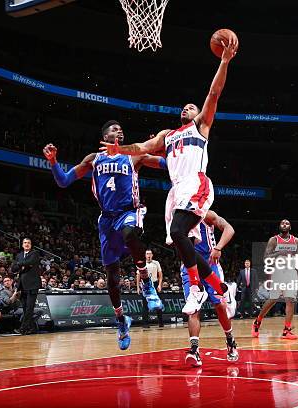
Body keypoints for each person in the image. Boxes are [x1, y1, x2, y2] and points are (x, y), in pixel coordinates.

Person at [99, 39, 238, 316]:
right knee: (179, 242)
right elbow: (143, 149)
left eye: (191, 107)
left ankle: (197, 288)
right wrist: (119, 149)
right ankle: (218, 284)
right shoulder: (168, 135)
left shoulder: (201, 127)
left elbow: (214, 93)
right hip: (175, 192)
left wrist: (224, 61)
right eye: (184, 107)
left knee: (177, 232)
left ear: (199, 114)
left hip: (196, 183)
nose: (186, 109)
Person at [43, 120, 165, 350]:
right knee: (112, 277)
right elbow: (64, 181)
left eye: (121, 128)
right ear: (104, 135)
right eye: (114, 128)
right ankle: (121, 320)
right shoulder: (93, 159)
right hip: (106, 219)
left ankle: (146, 282)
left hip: (129, 211)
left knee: (130, 233)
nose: (119, 130)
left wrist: (163, 148)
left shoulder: (134, 155)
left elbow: (165, 165)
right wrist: (53, 163)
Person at [181, 210, 238, 367]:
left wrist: (218, 247)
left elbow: (229, 229)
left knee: (220, 306)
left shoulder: (206, 214)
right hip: (190, 268)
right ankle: (194, 350)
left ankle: (230, 339)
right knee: (193, 309)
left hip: (210, 267)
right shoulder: (179, 218)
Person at [252, 219, 298, 340]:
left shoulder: (296, 241)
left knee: (291, 300)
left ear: (290, 227)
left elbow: (297, 257)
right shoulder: (274, 240)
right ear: (279, 226)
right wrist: (278, 253)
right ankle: (257, 321)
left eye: (287, 223)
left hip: (291, 271)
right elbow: (265, 257)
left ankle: (286, 330)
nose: (284, 224)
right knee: (273, 299)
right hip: (278, 271)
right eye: (282, 223)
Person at [11, 238, 41, 335]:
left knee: (29, 308)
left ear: (31, 244)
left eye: (28, 243)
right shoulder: (19, 255)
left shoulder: (34, 253)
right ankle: (32, 328)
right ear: (22, 245)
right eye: (25, 243)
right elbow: (13, 268)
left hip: (32, 284)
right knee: (25, 308)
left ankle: (23, 329)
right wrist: (22, 265)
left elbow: (30, 262)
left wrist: (20, 264)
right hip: (22, 285)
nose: (26, 244)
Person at [138, 249, 164, 327]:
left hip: (155, 283)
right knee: (145, 305)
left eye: (150, 254)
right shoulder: (142, 264)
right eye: (147, 254)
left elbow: (160, 274)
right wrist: (138, 288)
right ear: (145, 255)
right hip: (146, 285)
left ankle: (161, 322)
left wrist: (159, 285)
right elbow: (138, 275)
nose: (148, 255)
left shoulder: (156, 263)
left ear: (152, 255)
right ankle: (145, 324)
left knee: (158, 304)